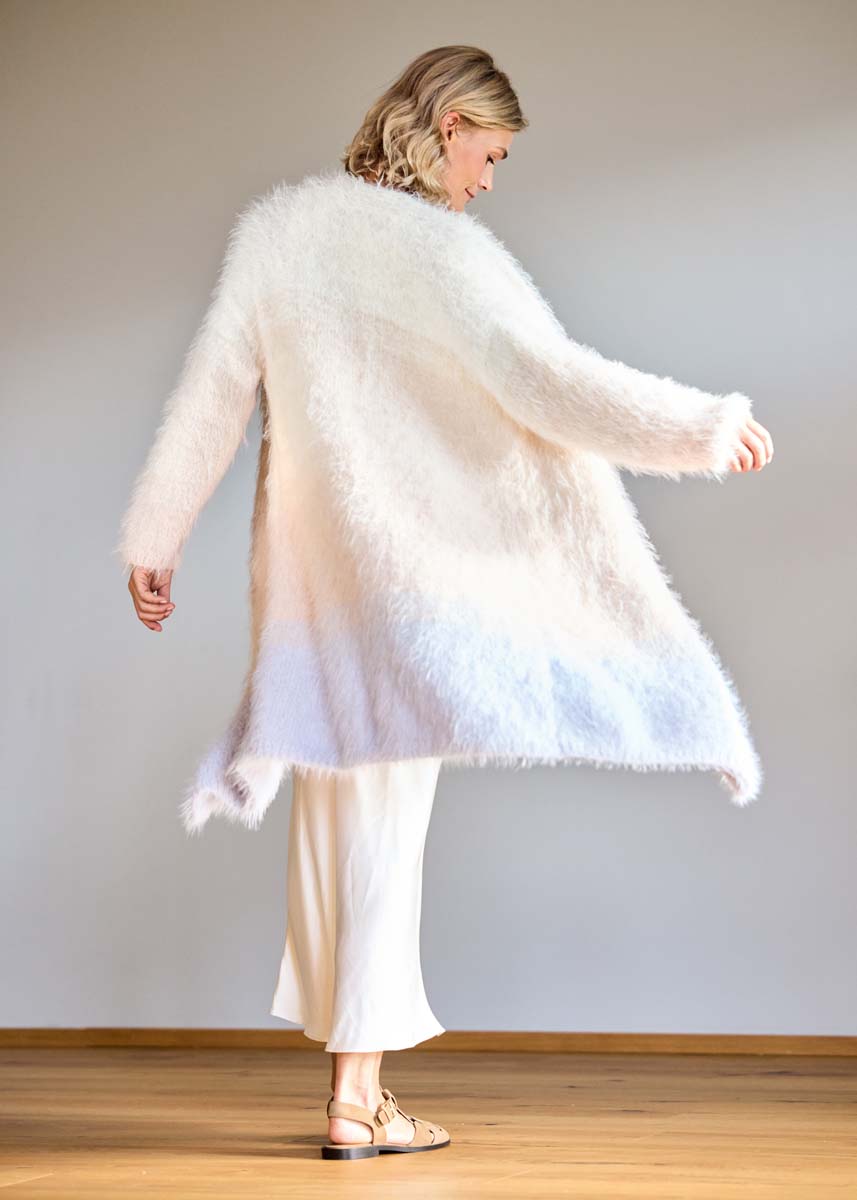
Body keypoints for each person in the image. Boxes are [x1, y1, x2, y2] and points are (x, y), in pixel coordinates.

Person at [117, 45, 773, 1161]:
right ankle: (355, 1099)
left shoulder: (281, 232)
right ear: (450, 123)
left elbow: (213, 389)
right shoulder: (447, 258)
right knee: (380, 837)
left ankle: (356, 1087)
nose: (488, 179)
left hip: (314, 605)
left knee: (334, 835)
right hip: (412, 597)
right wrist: (699, 428)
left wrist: (156, 535)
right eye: (491, 153)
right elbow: (549, 381)